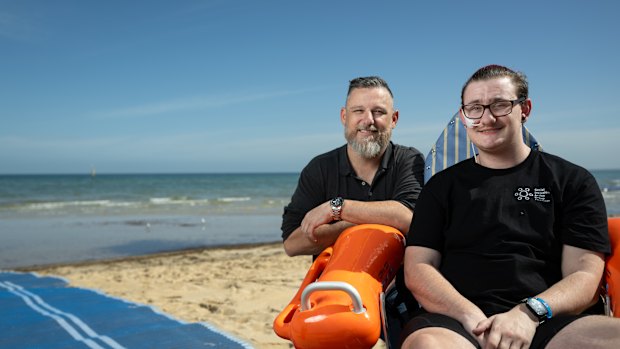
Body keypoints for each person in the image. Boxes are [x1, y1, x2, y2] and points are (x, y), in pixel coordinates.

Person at [400, 64, 620, 349]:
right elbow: (418, 267)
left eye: (500, 105)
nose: (487, 118)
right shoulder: (441, 188)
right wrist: (471, 317)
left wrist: (528, 314)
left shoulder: (572, 181)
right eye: (475, 108)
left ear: (525, 109)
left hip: (548, 318)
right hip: (457, 322)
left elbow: (584, 274)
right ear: (464, 117)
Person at [281, 76, 425, 257]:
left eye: (378, 111)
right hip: (337, 280)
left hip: (395, 282)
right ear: (344, 116)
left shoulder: (410, 160)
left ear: (394, 119)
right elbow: (292, 244)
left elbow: (410, 220)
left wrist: (337, 209)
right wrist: (367, 221)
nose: (368, 120)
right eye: (358, 110)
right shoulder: (319, 168)